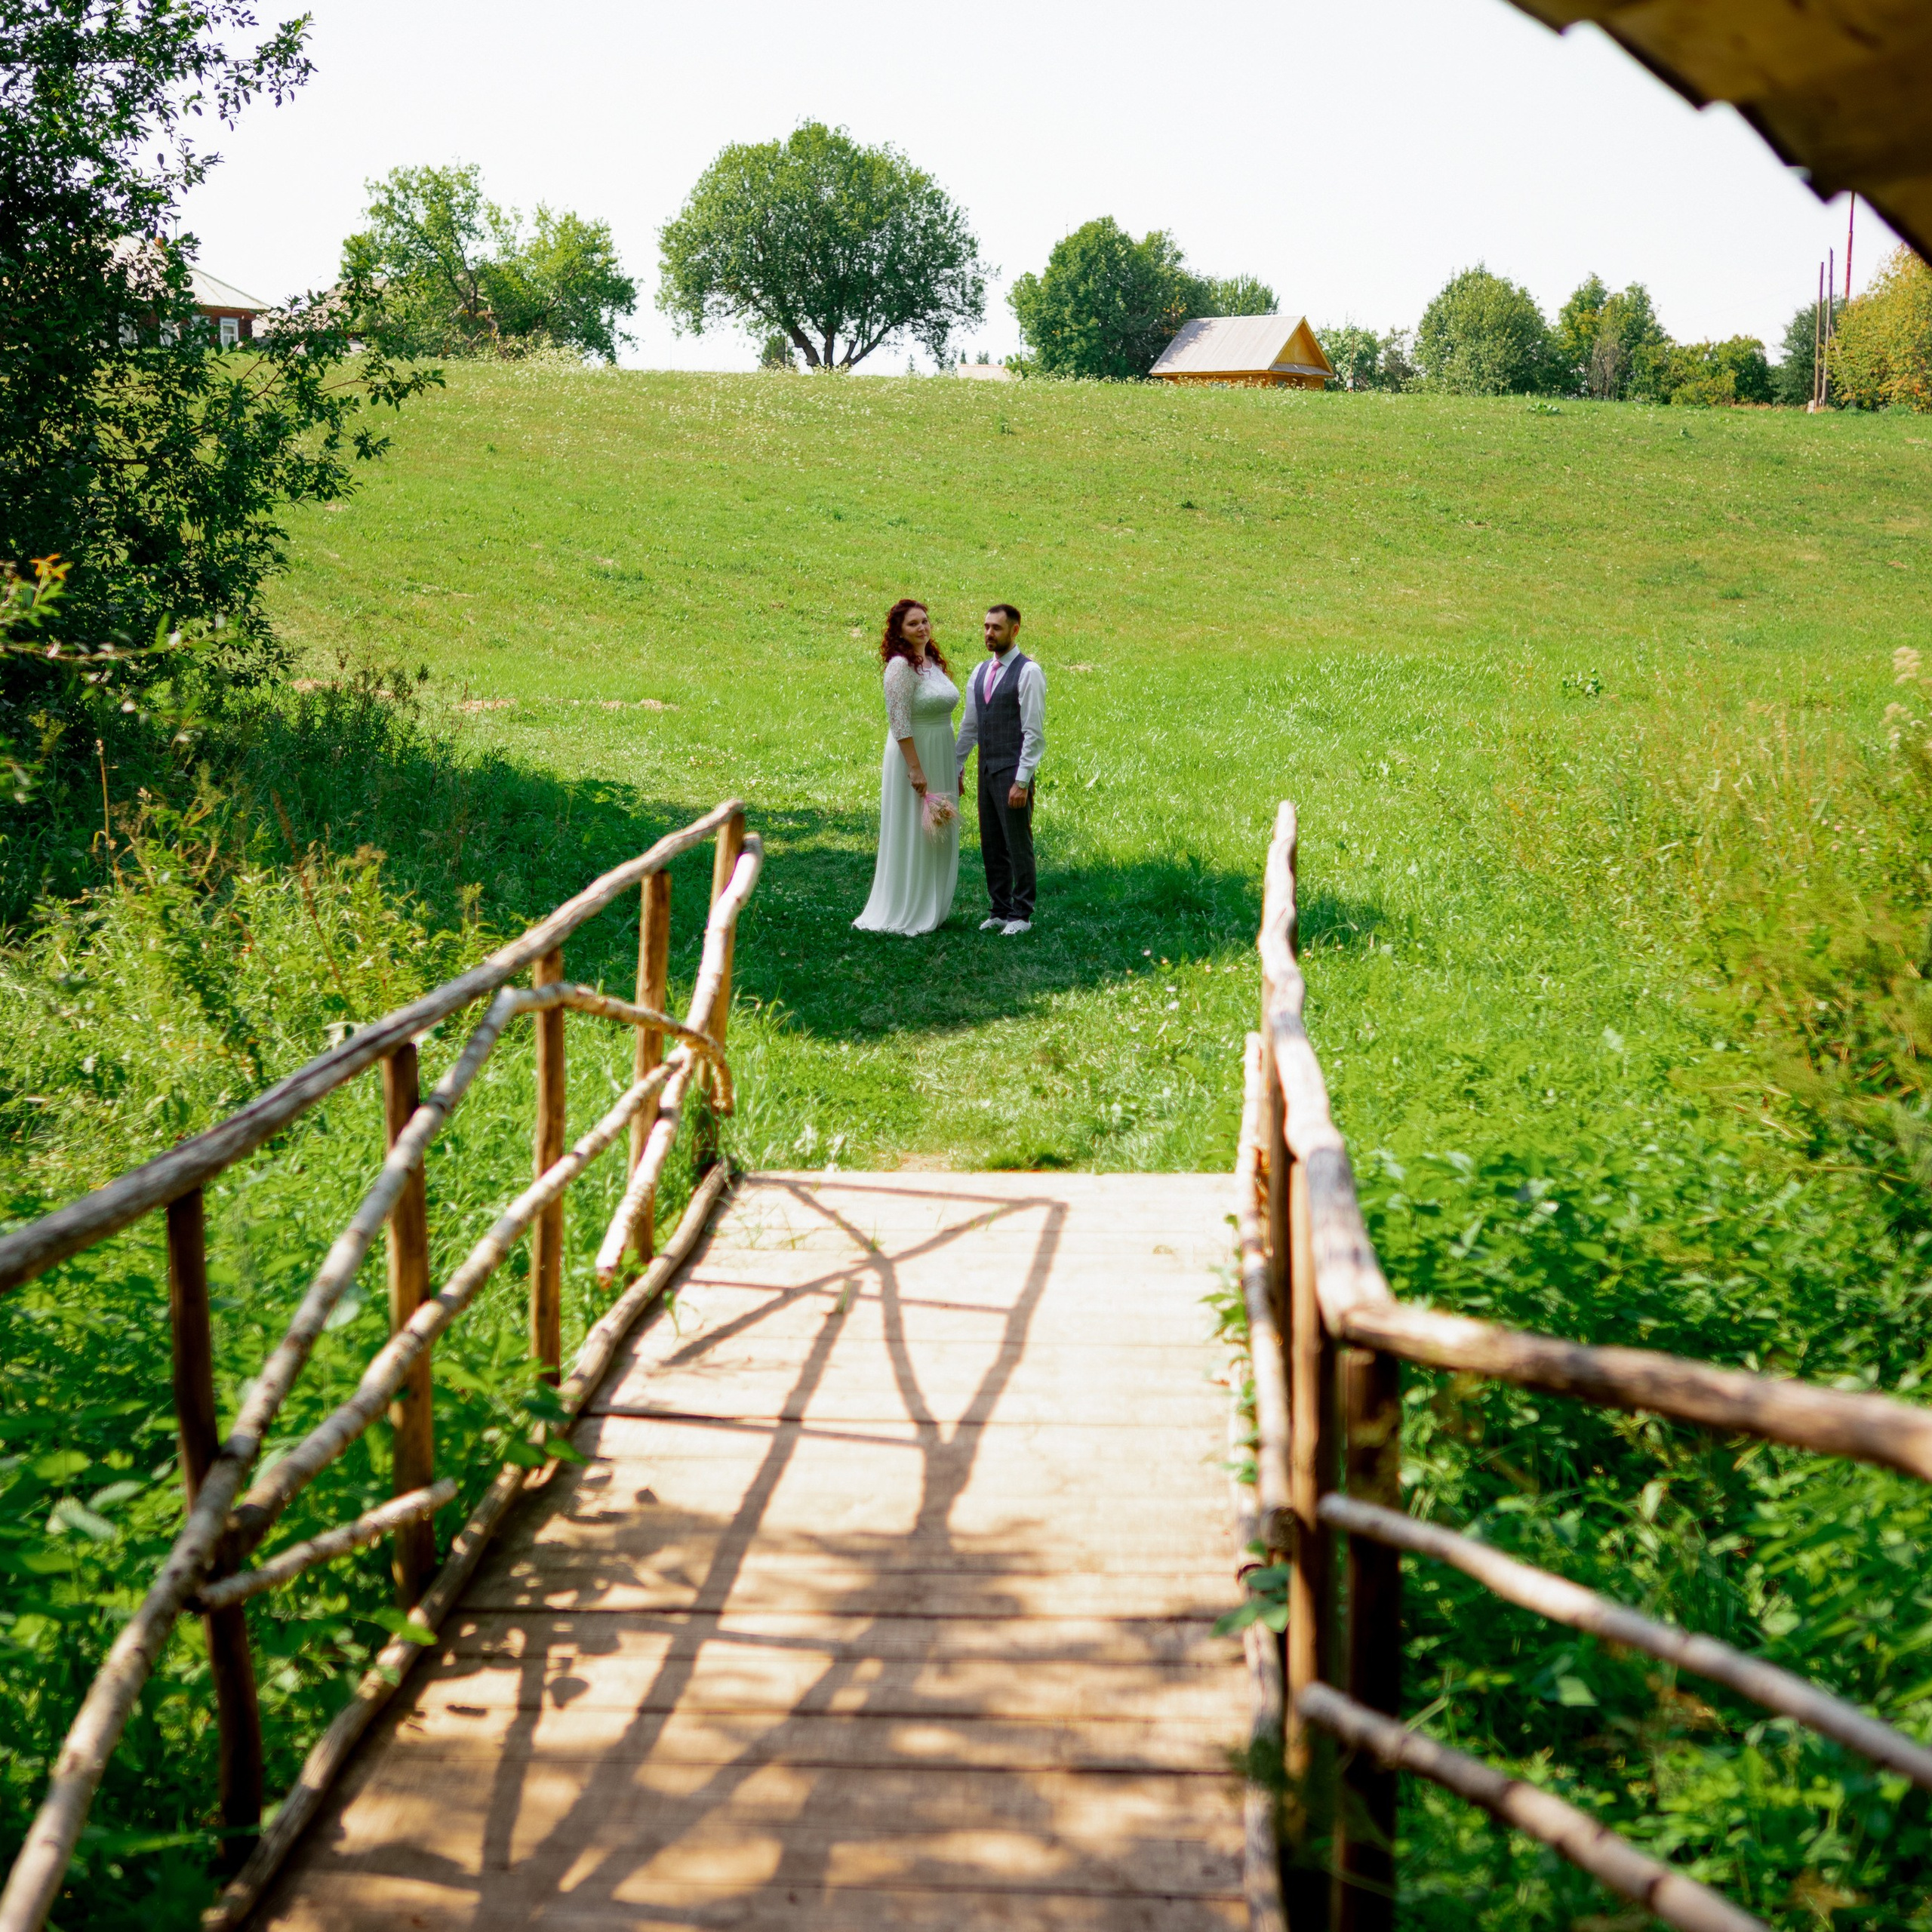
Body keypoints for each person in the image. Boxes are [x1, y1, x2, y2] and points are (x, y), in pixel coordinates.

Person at [853, 598, 961, 936]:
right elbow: (899, 722)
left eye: (925, 621)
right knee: (915, 829)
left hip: (941, 752)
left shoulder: (931, 662)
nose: (922, 628)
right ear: (899, 631)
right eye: (913, 623)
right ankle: (907, 905)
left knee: (939, 829)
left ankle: (934, 904)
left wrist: (956, 766)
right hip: (914, 755)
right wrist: (915, 769)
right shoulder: (900, 667)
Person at [954, 601, 1045, 935]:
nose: (989, 633)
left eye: (996, 628)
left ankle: (1022, 914)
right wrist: (957, 765)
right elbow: (969, 725)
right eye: (986, 627)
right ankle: (999, 909)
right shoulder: (979, 671)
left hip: (1013, 770)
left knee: (1017, 842)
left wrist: (1022, 780)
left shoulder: (1029, 672)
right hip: (986, 768)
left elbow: (1033, 733)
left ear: (1015, 630)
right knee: (991, 841)